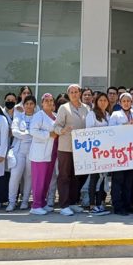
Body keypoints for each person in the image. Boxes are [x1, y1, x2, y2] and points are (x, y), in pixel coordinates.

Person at [53, 84, 90, 216]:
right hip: (66, 147)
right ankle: (64, 205)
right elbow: (56, 126)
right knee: (64, 176)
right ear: (68, 94)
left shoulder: (86, 108)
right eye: (71, 92)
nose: (74, 94)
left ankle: (73, 203)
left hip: (81, 149)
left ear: (80, 93)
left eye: (76, 91)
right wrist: (62, 130)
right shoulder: (64, 108)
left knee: (76, 177)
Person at [109, 92, 133, 215]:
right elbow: (110, 131)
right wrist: (126, 125)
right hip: (119, 152)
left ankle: (128, 205)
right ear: (120, 103)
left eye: (128, 101)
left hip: (132, 152)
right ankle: (118, 206)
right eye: (124, 101)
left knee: (129, 181)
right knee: (118, 180)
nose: (126, 103)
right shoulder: (115, 114)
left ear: (131, 102)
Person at [28, 93, 59, 215]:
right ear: (42, 103)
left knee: (47, 179)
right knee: (38, 180)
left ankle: (42, 203)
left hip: (52, 152)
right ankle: (35, 206)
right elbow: (33, 131)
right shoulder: (38, 115)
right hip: (39, 153)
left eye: (51, 100)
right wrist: (48, 135)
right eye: (46, 100)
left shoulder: (55, 116)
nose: (49, 102)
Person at [7, 95, 36, 212]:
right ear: (23, 105)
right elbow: (14, 131)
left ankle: (25, 201)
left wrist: (24, 133)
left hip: (32, 151)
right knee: (15, 176)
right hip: (19, 151)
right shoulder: (18, 117)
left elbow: (38, 132)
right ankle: (12, 202)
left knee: (29, 177)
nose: (29, 106)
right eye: (27, 104)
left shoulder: (38, 117)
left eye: (31, 104)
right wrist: (28, 135)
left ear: (35, 105)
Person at [85, 92, 111, 216]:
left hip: (105, 153)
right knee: (94, 178)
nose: (103, 102)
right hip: (95, 152)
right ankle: (92, 204)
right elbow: (88, 132)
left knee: (103, 178)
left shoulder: (108, 115)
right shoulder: (92, 114)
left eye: (105, 100)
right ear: (96, 102)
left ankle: (100, 203)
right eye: (100, 100)